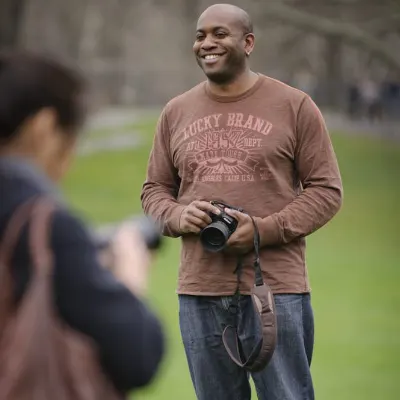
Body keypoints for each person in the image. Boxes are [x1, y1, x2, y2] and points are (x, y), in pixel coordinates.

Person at [141, 3, 343, 400]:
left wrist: (263, 230)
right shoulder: (176, 111)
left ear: (248, 42)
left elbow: (326, 191)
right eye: (200, 35)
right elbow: (153, 191)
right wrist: (181, 216)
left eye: (220, 34)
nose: (207, 43)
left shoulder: (294, 106)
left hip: (275, 291)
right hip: (199, 291)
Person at [0, 51, 164, 396]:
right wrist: (128, 275)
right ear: (44, 127)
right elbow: (139, 353)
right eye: (71, 141)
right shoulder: (36, 221)